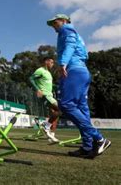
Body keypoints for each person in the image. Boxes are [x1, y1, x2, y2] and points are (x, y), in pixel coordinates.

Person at [47, 14, 111, 158]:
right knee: (83, 110)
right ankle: (87, 147)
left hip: (74, 71)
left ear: (64, 21)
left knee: (66, 105)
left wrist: (63, 63)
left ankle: (99, 139)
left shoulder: (67, 30)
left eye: (55, 22)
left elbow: (69, 46)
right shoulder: (76, 34)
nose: (53, 26)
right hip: (82, 72)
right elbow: (83, 54)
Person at [29, 57, 60, 143]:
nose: (52, 64)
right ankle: (46, 126)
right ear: (46, 62)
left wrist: (57, 86)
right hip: (45, 95)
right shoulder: (40, 70)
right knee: (59, 109)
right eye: (51, 62)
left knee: (55, 114)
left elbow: (49, 85)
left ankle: (51, 135)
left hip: (50, 95)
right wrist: (38, 90)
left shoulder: (49, 73)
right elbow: (31, 79)